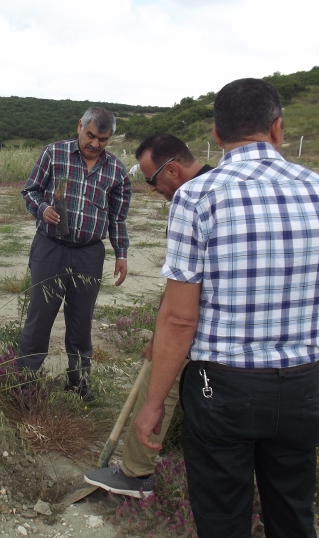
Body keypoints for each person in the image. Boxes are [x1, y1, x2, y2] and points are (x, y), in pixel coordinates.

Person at [134, 78, 319, 538]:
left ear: (216, 134)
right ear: (278, 127)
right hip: (301, 390)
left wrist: (153, 404)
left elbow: (180, 317)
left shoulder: (196, 197)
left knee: (223, 519)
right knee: (292, 514)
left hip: (223, 390)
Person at [84, 133, 212, 497]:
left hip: (200, 318)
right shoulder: (225, 184)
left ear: (172, 170)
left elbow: (188, 289)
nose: (151, 189)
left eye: (151, 180)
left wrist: (165, 334)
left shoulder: (192, 199)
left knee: (162, 382)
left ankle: (135, 473)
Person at [17, 106, 131, 401]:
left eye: (103, 140)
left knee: (81, 320)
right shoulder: (54, 154)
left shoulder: (116, 170)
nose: (95, 144)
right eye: (91, 135)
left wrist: (122, 253)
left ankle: (78, 381)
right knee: (40, 316)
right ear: (80, 126)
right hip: (50, 248)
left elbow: (118, 217)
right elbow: (30, 191)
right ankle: (25, 382)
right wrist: (43, 210)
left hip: (89, 254)